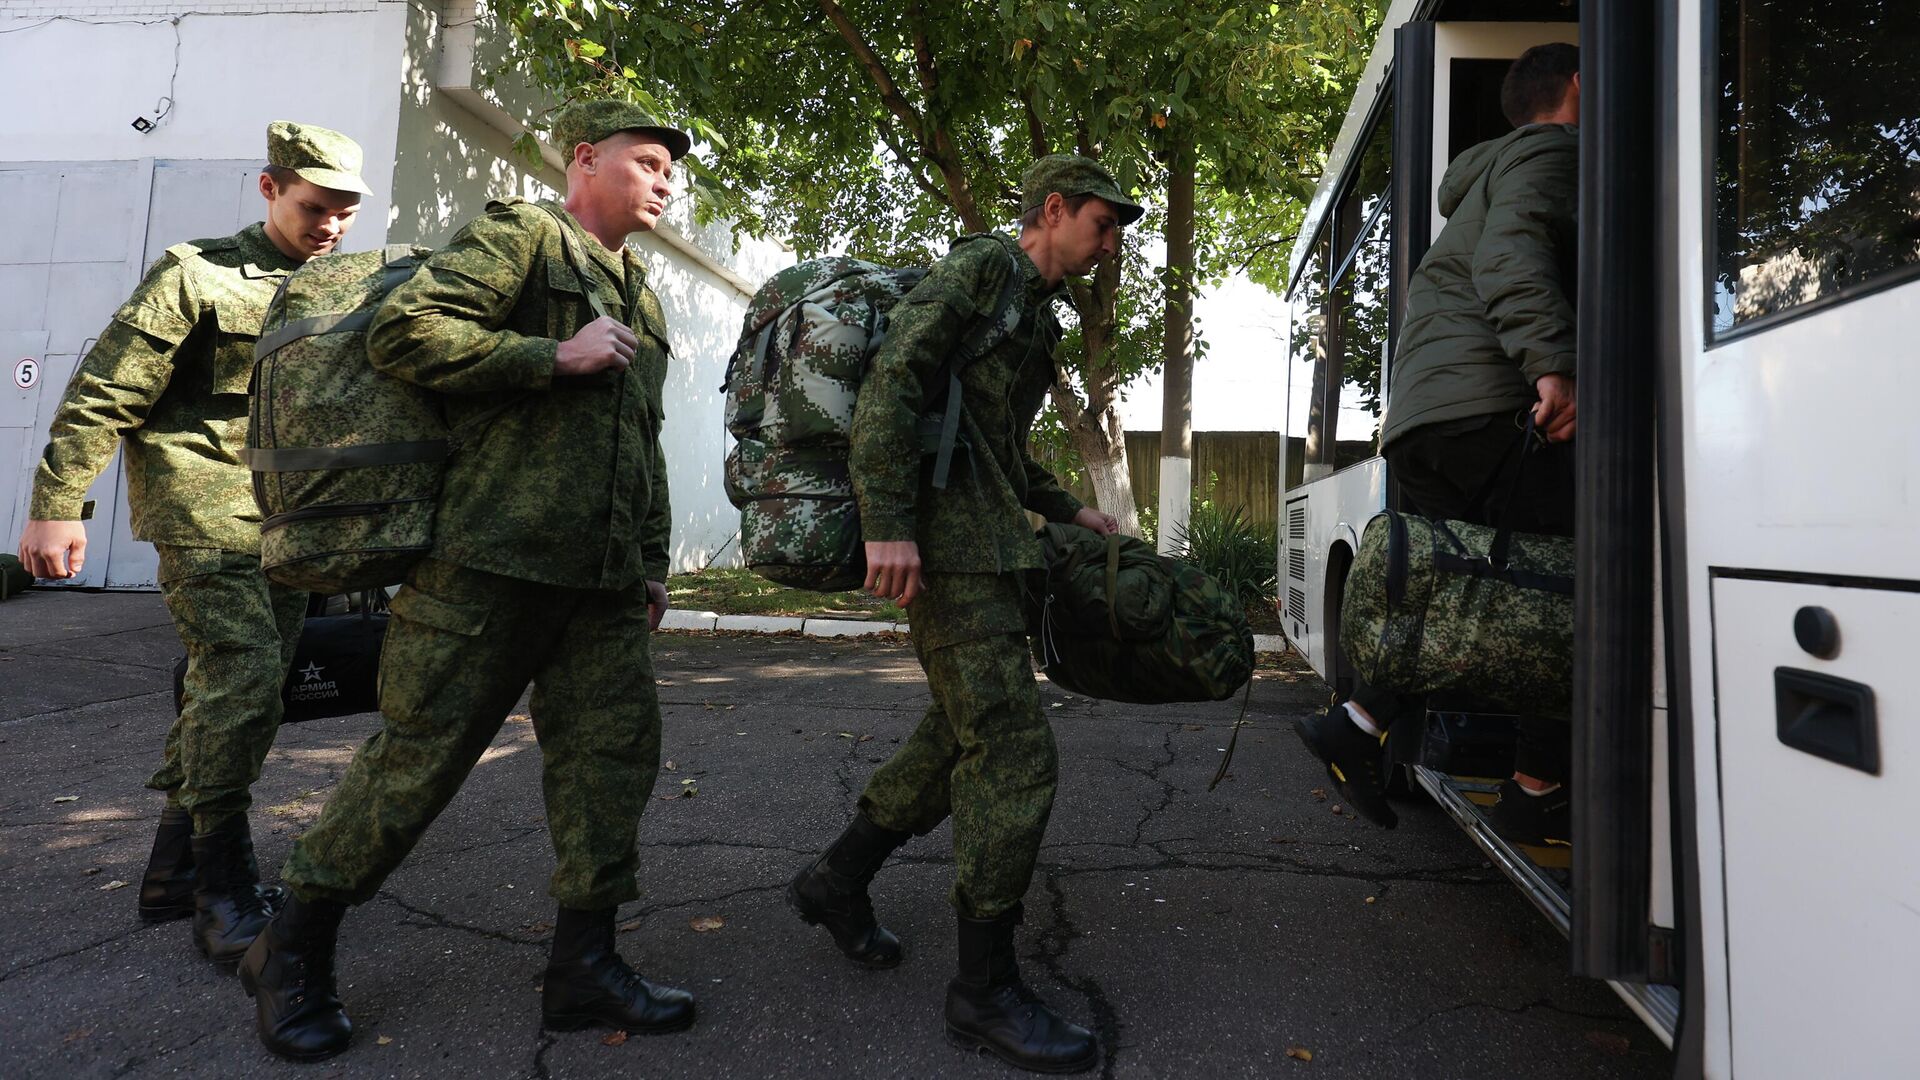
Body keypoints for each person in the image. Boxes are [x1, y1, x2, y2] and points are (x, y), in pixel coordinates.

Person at [237, 100, 693, 1062]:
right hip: (488, 562)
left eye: (669, 172)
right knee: (420, 760)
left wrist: (648, 561)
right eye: (647, 163)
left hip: (600, 583)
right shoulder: (524, 236)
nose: (664, 183)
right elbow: (404, 332)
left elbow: (637, 443)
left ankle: (584, 966)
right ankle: (293, 944)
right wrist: (548, 355)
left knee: (612, 765)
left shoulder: (640, 293)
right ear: (585, 162)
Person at [785, 154, 1138, 1075]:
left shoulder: (1033, 315)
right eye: (1102, 224)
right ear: (1053, 210)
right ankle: (982, 992)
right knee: (1014, 748)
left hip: (989, 548)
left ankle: (838, 877)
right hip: (945, 552)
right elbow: (894, 383)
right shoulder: (982, 269)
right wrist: (888, 526)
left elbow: (996, 446)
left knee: (958, 734)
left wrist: (1067, 508)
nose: (1110, 246)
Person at [17, 121, 368, 963]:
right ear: (269, 187)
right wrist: (58, 502)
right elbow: (106, 389)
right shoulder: (196, 274)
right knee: (244, 678)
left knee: (244, 687)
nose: (329, 226)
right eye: (315, 207)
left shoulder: (345, 290)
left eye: (345, 213)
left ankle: (172, 875)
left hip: (292, 521)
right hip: (203, 508)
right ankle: (222, 893)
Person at [1295, 43, 1581, 844]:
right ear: (1583, 88)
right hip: (1486, 408)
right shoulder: (1555, 152)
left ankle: (1356, 723)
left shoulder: (1482, 176)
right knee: (1566, 589)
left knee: (1470, 590)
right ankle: (1534, 790)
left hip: (1423, 418)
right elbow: (1512, 256)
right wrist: (1553, 364)